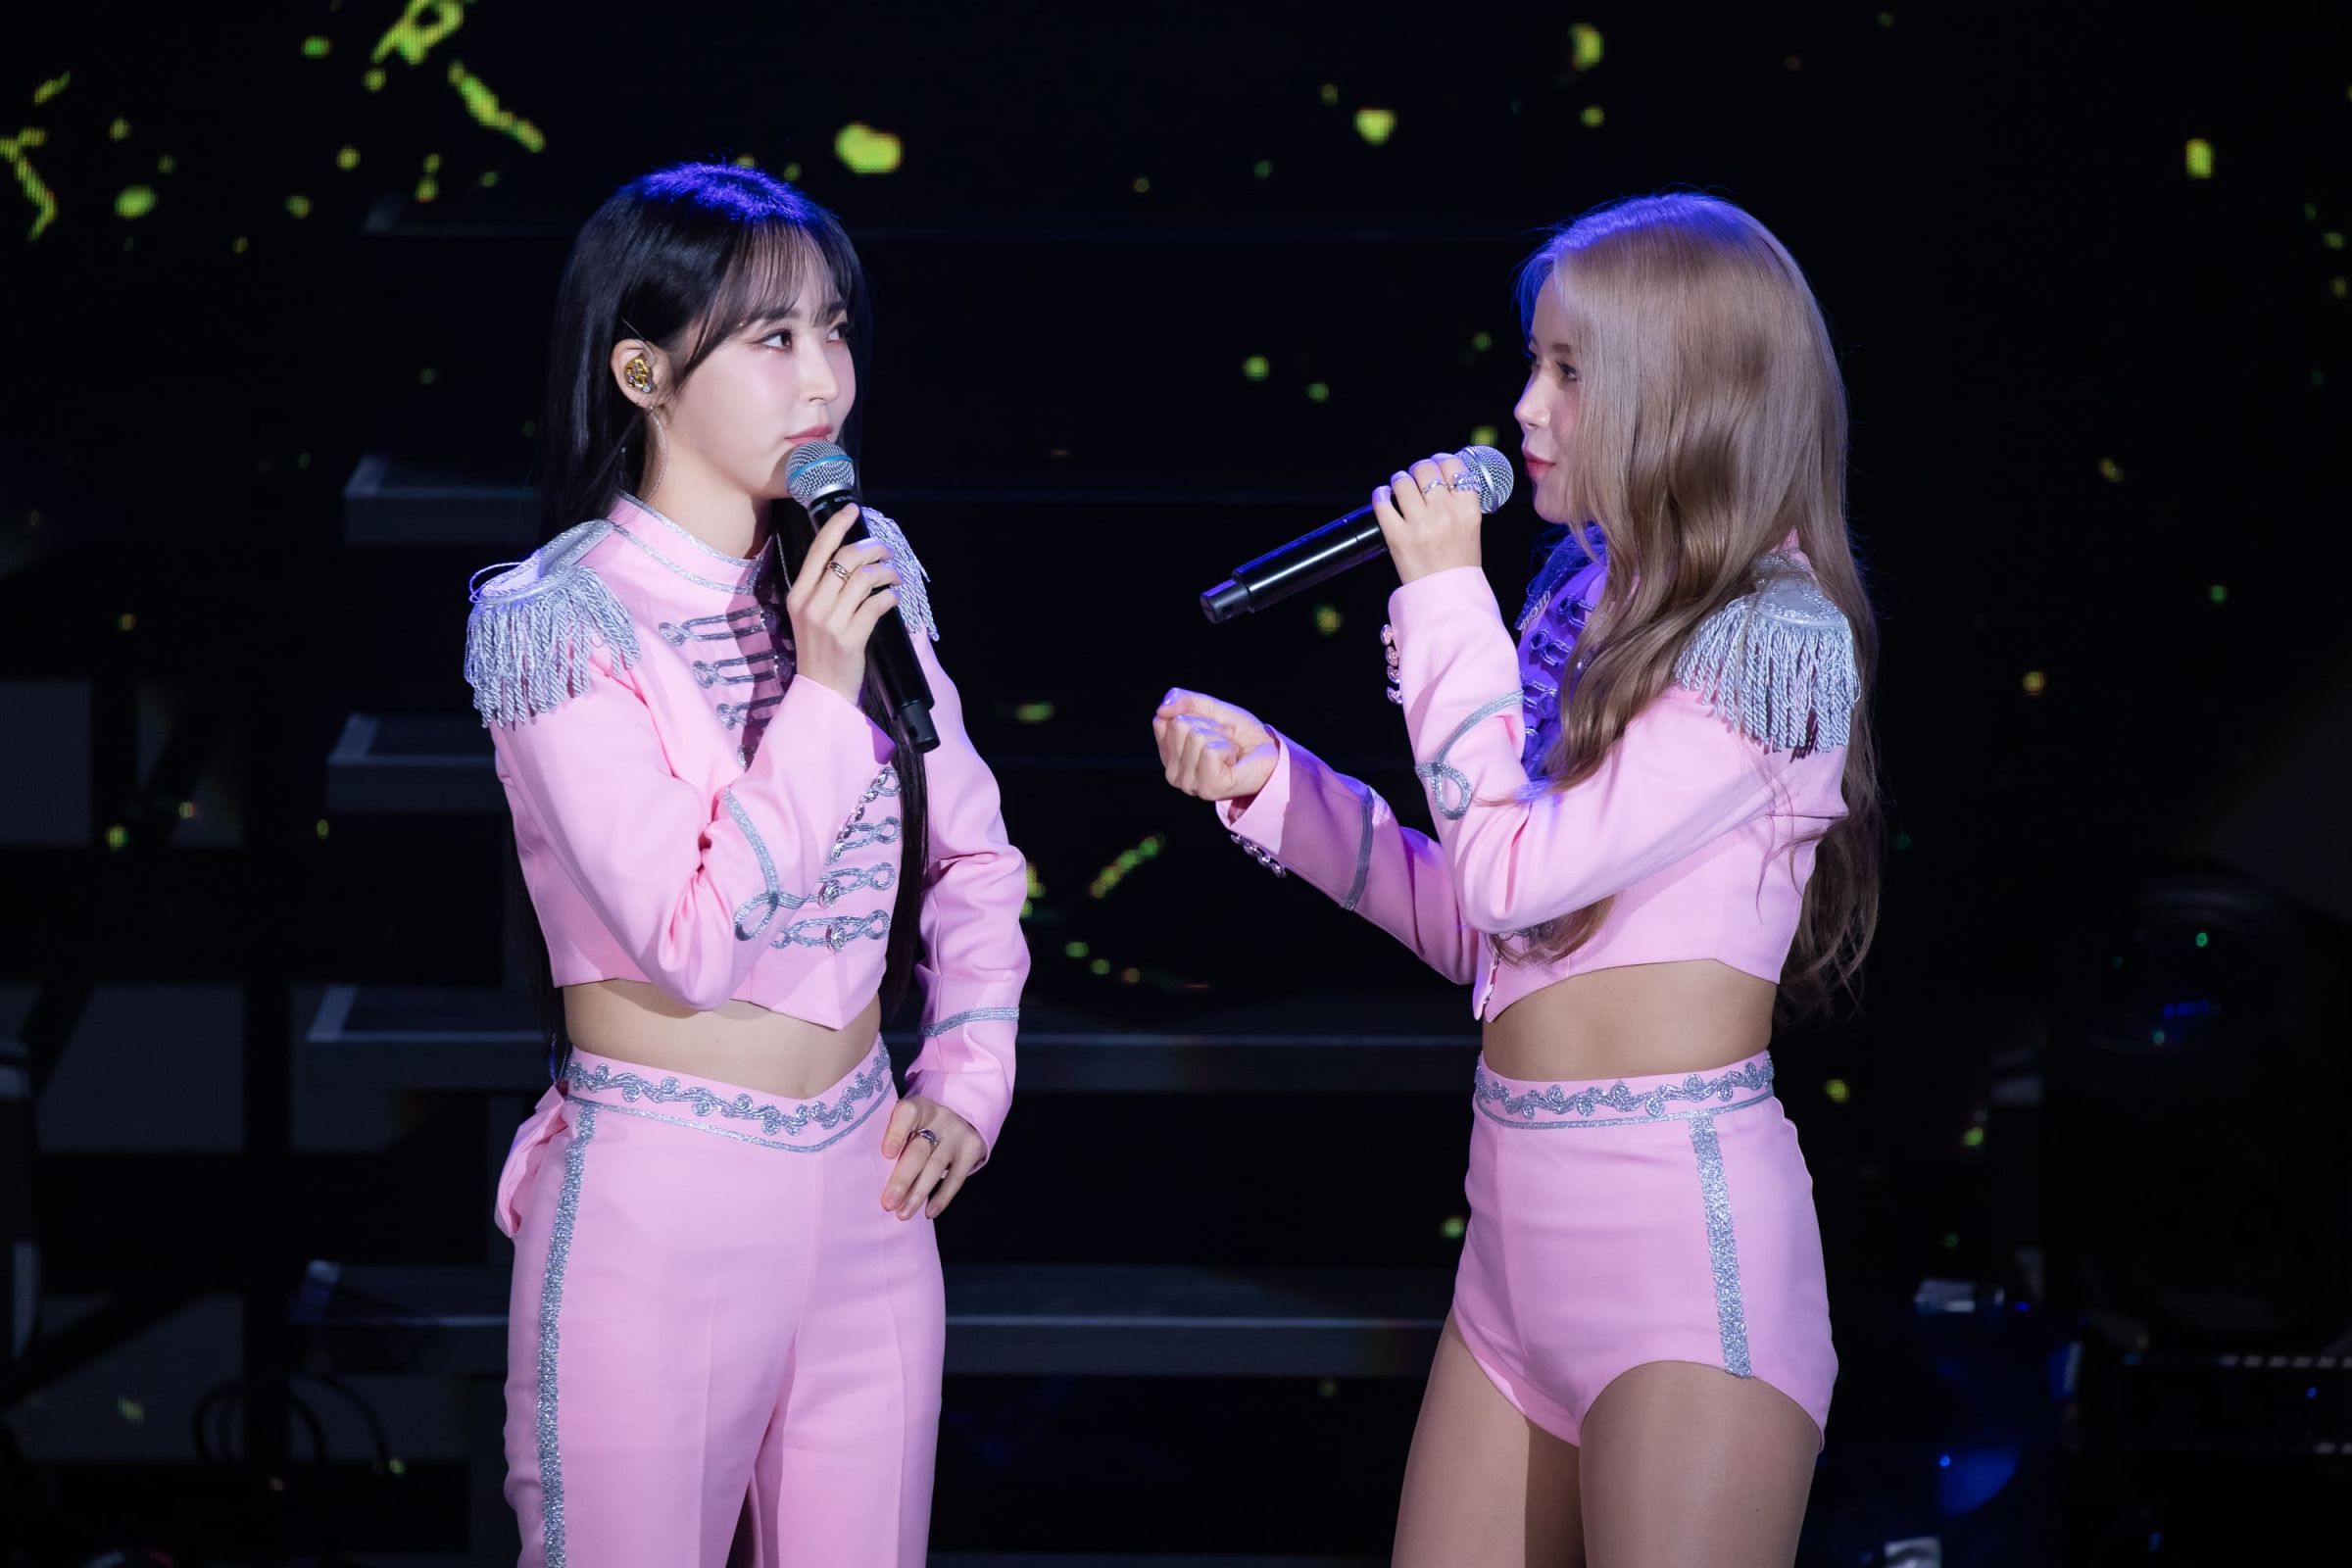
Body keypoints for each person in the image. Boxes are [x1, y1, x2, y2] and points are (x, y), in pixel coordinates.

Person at [1153, 192, 1880, 1566]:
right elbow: (1488, 929)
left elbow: (1506, 874)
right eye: (1533, 362)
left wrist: (1444, 600)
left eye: (1569, 371)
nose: (1524, 409)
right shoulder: (1582, 599)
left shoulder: (1770, 641)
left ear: (1683, 392)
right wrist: (1281, 788)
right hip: (1510, 1249)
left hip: (1679, 1257)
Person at [465, 162, 1028, 1568]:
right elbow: (690, 938)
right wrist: (824, 695)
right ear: (643, 372)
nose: (822, 375)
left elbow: (972, 854)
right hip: (663, 1204)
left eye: (832, 328)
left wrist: (970, 1073)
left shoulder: (857, 567)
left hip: (870, 1192)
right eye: (772, 337)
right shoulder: (560, 621)